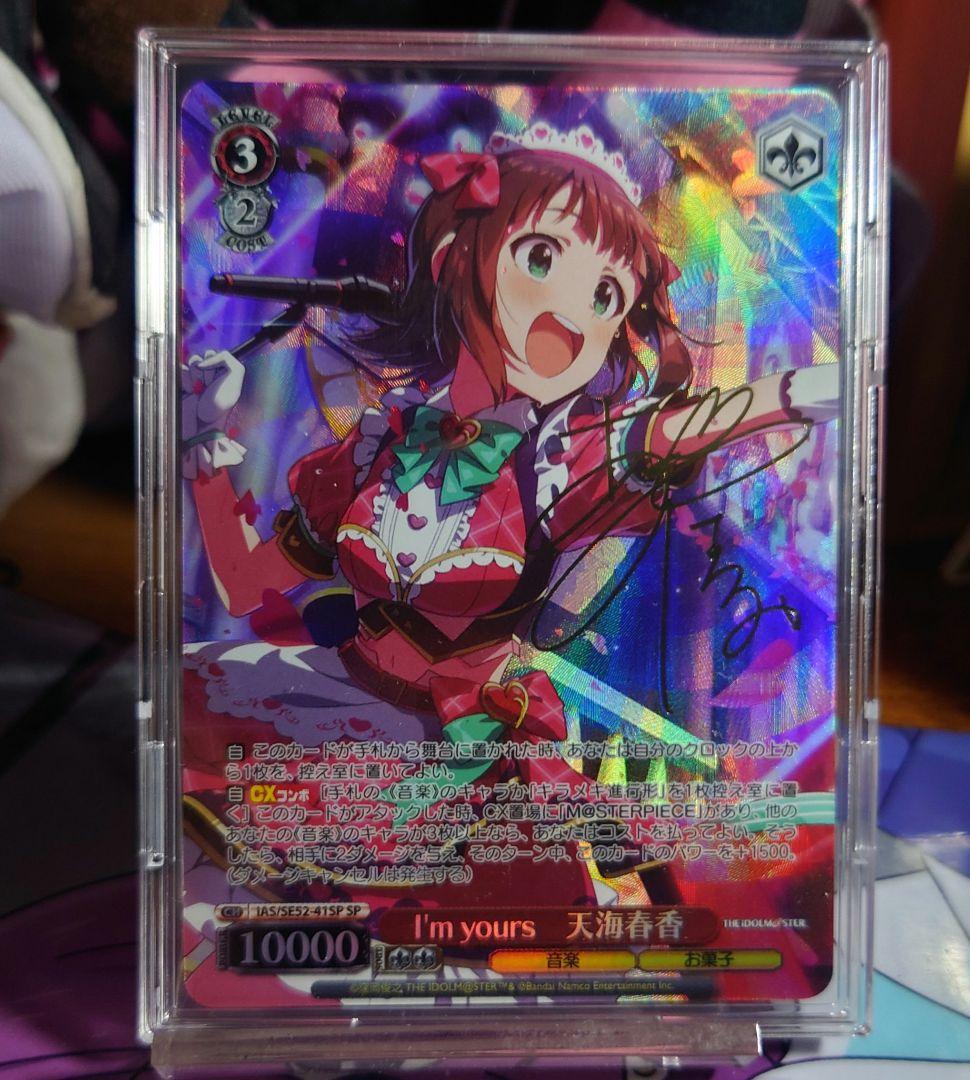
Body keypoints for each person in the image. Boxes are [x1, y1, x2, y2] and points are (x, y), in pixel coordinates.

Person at [181, 123, 838, 911]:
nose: (571, 317)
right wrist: (201, 452)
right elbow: (245, 584)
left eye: (605, 296)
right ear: (456, 254)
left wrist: (792, 395)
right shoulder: (377, 444)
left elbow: (674, 431)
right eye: (542, 258)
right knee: (189, 717)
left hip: (455, 744)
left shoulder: (563, 460)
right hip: (335, 703)